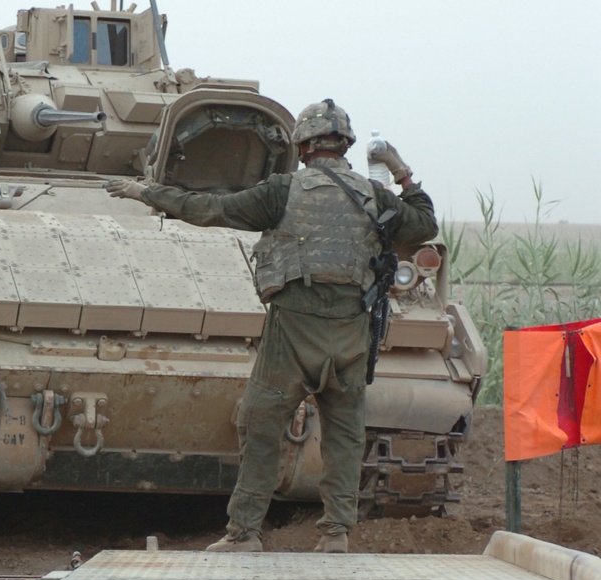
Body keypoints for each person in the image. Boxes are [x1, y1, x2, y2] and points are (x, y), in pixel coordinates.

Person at [105, 100, 437, 553]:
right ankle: (337, 534)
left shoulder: (283, 191)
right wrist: (401, 172)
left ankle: (245, 533)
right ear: (344, 146)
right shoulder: (373, 197)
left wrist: (146, 192)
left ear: (303, 147)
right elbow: (423, 224)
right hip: (352, 333)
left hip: (294, 331)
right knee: (344, 433)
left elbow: (208, 209)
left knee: (261, 422)